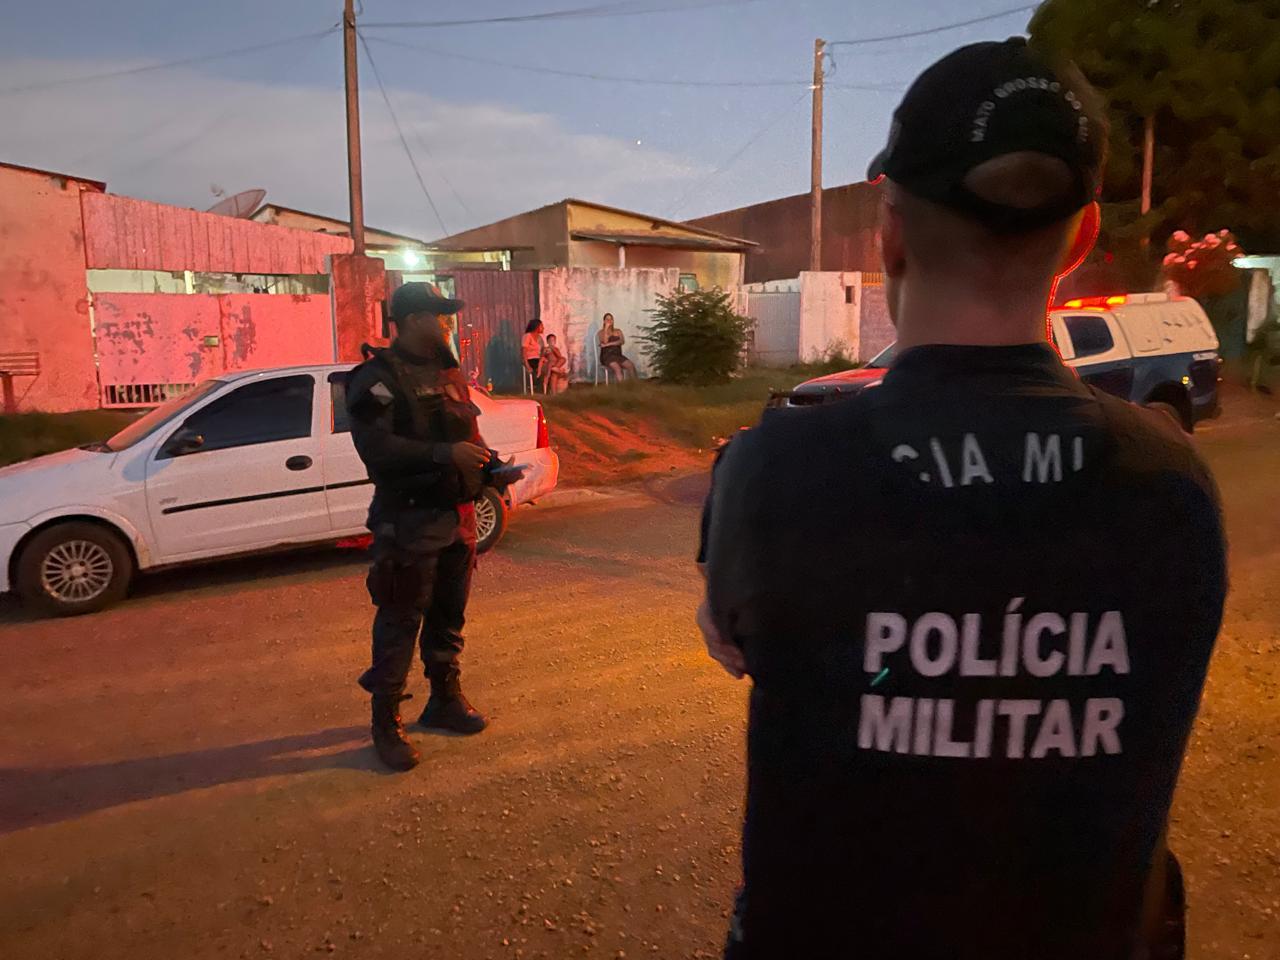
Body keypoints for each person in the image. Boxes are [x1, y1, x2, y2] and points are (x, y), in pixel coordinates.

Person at [697, 38, 1226, 960]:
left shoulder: (775, 465)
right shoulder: (1174, 484)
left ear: (889, 232)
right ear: (1083, 236)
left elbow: (736, 639)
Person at [346, 282, 517, 772]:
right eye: (439, 315)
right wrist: (445, 454)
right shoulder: (375, 379)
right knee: (400, 620)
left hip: (457, 518)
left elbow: (467, 434)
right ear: (414, 318)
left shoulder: (447, 370)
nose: (446, 323)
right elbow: (376, 451)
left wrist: (492, 469)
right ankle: (386, 723)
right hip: (408, 521)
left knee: (448, 616)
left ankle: (444, 700)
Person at [597, 312, 637, 381]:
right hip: (607, 356)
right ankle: (621, 388)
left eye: (611, 319)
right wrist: (606, 329)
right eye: (607, 319)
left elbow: (621, 341)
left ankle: (634, 385)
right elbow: (605, 341)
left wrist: (608, 344)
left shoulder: (618, 331)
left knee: (631, 366)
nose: (609, 321)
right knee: (618, 368)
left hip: (617, 355)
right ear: (604, 321)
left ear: (613, 321)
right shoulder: (601, 332)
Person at [522, 318, 545, 387]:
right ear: (536, 327)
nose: (543, 328)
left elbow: (542, 351)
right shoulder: (527, 336)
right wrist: (527, 365)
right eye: (542, 326)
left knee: (552, 365)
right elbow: (523, 351)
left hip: (539, 359)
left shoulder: (540, 338)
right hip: (530, 359)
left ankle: (551, 390)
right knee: (551, 367)